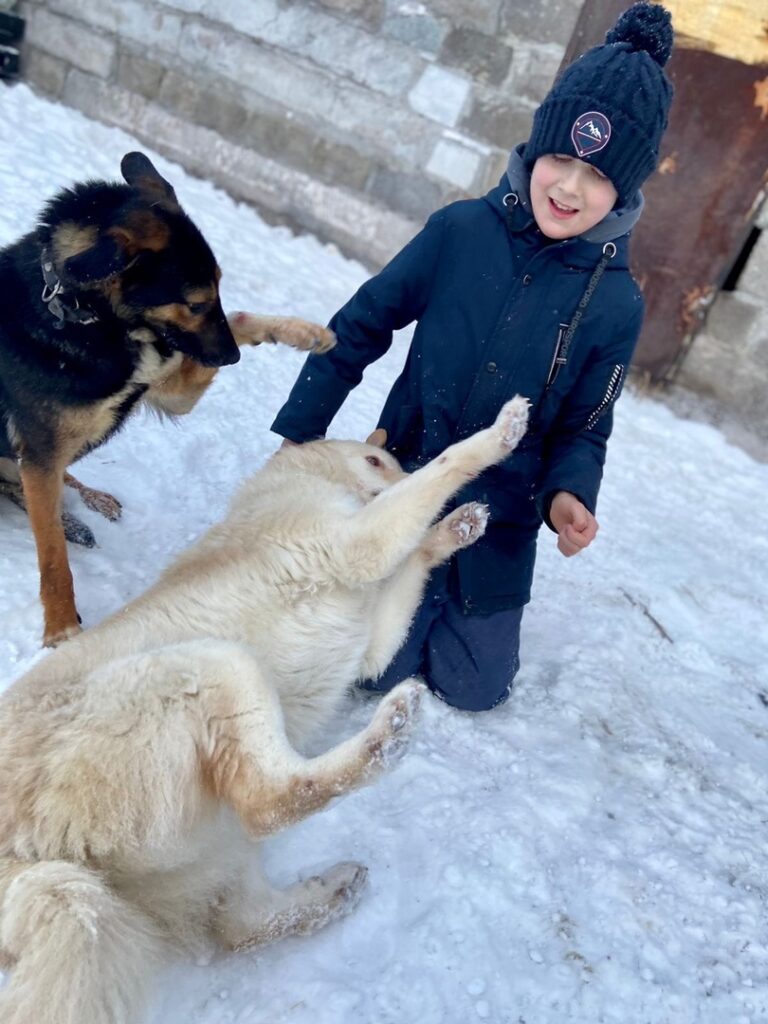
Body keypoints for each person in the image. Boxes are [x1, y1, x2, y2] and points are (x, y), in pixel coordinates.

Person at [271, 2, 675, 712]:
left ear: (627, 190)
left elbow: (587, 424)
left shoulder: (616, 303)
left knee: (475, 689)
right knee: (370, 673)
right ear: (536, 147)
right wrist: (300, 431)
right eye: (561, 158)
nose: (569, 187)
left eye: (597, 175)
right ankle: (396, 601)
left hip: (501, 522)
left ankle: (454, 615)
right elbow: (361, 325)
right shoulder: (459, 231)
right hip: (405, 484)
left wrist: (568, 497)